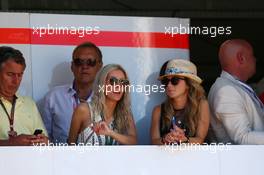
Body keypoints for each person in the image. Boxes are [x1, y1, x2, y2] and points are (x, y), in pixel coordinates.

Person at [41, 42, 103, 143]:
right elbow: (45, 137)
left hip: (97, 157)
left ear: (99, 66)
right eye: (79, 62)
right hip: (59, 157)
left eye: (90, 62)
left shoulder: (107, 98)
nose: (84, 66)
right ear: (72, 66)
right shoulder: (53, 97)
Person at [208, 39, 264, 144]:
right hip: (242, 159)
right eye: (252, 55)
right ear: (241, 58)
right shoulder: (226, 90)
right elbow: (242, 137)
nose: (255, 59)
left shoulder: (233, 86)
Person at [68, 64, 137, 145]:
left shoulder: (125, 113)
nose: (118, 86)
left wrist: (111, 133)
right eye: (113, 81)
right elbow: (70, 145)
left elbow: (133, 142)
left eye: (123, 82)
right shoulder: (84, 110)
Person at [150, 59, 210, 145]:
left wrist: (185, 139)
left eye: (175, 80)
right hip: (166, 157)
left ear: (189, 84)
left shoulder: (201, 105)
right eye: (165, 81)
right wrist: (165, 139)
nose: (169, 85)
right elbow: (153, 142)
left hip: (195, 157)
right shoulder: (158, 110)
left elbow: (200, 140)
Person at [0, 46, 48, 146]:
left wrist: (43, 141)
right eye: (10, 74)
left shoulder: (29, 103)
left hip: (30, 160)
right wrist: (9, 143)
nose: (16, 81)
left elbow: (45, 138)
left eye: (20, 75)